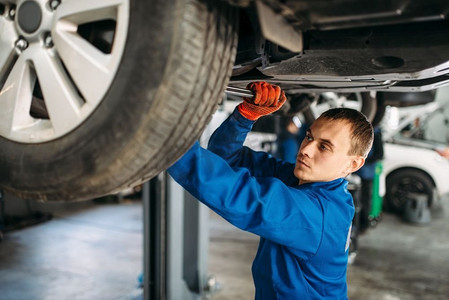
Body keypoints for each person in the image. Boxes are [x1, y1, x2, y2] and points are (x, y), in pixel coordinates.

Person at [168, 81, 374, 299]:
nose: (305, 149)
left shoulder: (316, 214)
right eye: (309, 137)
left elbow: (234, 194)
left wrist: (165, 136)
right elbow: (225, 159)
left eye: (324, 147)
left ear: (353, 164)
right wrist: (246, 115)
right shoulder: (303, 182)